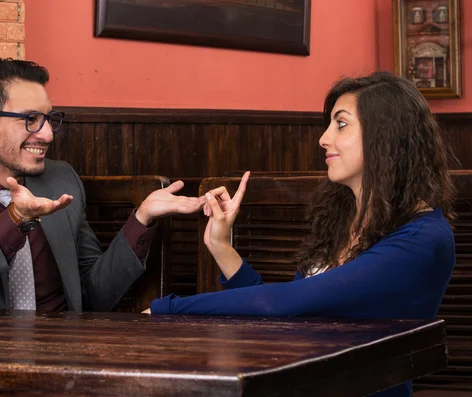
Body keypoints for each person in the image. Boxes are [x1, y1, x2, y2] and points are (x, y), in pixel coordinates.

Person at [149, 72, 457, 397]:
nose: (323, 139)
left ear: (387, 135)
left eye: (341, 124)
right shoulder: (344, 218)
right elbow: (291, 318)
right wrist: (220, 245)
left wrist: (166, 310)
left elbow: (282, 304)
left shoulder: (424, 239)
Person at [0, 58, 204, 312]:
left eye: (48, 118)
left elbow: (92, 294)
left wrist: (141, 219)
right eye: (30, 119)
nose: (47, 135)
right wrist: (15, 219)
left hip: (66, 358)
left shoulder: (60, 178)